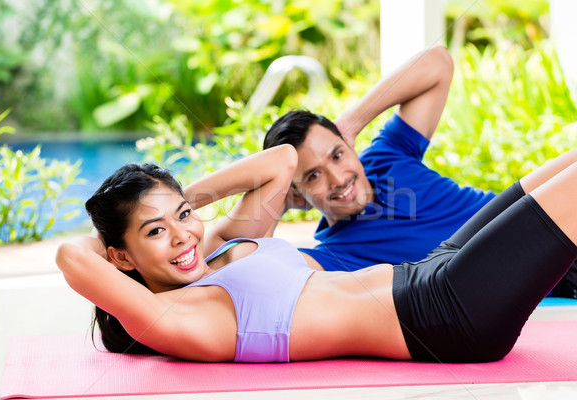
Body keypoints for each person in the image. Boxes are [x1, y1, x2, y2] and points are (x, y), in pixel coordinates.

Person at [57, 142, 577, 363]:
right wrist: (127, 227)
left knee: (563, 166)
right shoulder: (172, 319)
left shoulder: (215, 249)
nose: (180, 237)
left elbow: (281, 161)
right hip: (447, 314)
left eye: (184, 218)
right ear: (119, 258)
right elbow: (72, 256)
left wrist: (173, 203)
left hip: (431, 271)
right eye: (154, 233)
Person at [263, 46, 577, 298]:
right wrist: (276, 196)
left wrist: (350, 123)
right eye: (313, 176)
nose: (338, 178)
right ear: (296, 193)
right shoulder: (335, 257)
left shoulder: (386, 155)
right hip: (558, 264)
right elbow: (253, 267)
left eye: (337, 154)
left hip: (555, 211)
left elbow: (437, 64)